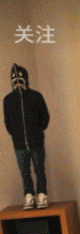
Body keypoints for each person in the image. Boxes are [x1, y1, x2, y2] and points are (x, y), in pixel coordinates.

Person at [3, 64, 50, 210]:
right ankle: (28, 195)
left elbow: (45, 117)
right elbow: (8, 122)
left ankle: (41, 193)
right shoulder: (8, 100)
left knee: (39, 170)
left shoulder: (36, 96)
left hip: (36, 142)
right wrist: (16, 136)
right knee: (24, 172)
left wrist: (37, 131)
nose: (17, 81)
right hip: (19, 145)